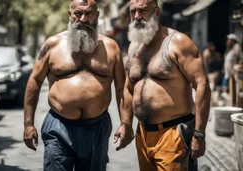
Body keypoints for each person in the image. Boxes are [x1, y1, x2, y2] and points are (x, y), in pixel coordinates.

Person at [23, 0, 134, 171]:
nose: (83, 19)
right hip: (58, 126)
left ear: (97, 15)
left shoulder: (111, 48)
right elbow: (35, 82)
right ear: (70, 14)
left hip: (97, 127)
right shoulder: (52, 45)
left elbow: (122, 88)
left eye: (89, 13)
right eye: (78, 13)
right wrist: (28, 124)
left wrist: (126, 124)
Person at [118, 0, 211, 170]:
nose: (137, 16)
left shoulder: (178, 42)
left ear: (157, 13)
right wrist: (125, 124)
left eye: (143, 10)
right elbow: (128, 88)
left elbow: (202, 84)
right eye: (133, 12)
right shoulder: (133, 47)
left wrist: (199, 134)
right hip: (144, 134)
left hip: (173, 134)